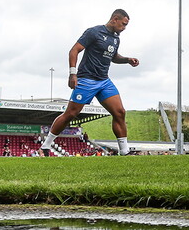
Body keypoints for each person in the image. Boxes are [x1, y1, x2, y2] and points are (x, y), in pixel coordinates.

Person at [40, 9, 140, 156]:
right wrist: (72, 74)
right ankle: (46, 145)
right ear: (114, 19)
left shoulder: (116, 38)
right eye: (123, 24)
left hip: (104, 81)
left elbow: (113, 57)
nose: (124, 28)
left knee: (120, 112)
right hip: (87, 79)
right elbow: (74, 50)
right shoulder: (94, 32)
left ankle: (124, 152)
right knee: (71, 113)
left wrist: (127, 60)